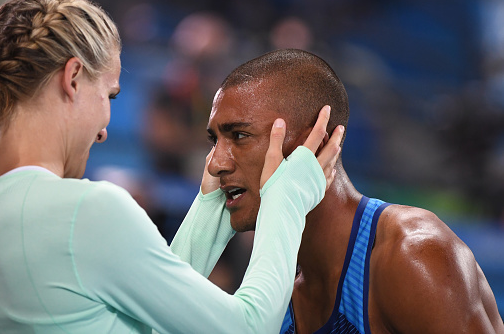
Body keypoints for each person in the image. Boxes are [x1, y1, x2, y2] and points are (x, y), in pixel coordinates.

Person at [0, 0, 344, 333]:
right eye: (109, 96)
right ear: (72, 79)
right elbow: (248, 328)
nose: (106, 128)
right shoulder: (84, 214)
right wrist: (285, 197)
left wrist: (213, 207)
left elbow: (148, 315)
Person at [171, 49, 504, 333]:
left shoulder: (412, 253)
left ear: (316, 142)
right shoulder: (270, 289)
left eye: (240, 136)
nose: (215, 164)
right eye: (215, 140)